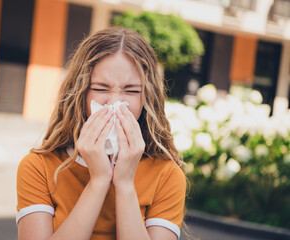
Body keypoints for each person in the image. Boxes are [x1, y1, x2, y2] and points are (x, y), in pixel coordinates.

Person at [16, 26, 187, 240]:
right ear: (80, 92)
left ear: (147, 98)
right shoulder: (39, 167)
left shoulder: (166, 176)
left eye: (132, 90)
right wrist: (99, 180)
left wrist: (124, 184)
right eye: (100, 88)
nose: (114, 103)